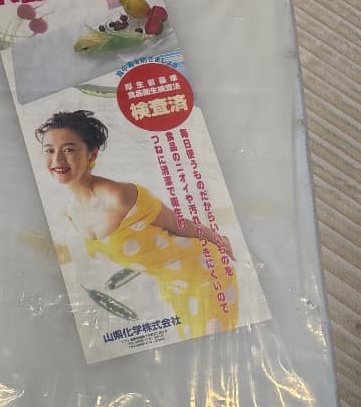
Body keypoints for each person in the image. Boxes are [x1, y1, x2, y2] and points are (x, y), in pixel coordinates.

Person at [35, 110, 238, 338]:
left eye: (69, 150)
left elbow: (177, 224)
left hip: (205, 273)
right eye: (49, 150)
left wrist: (219, 240)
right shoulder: (70, 212)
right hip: (173, 285)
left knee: (215, 347)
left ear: (92, 154)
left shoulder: (120, 196)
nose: (57, 160)